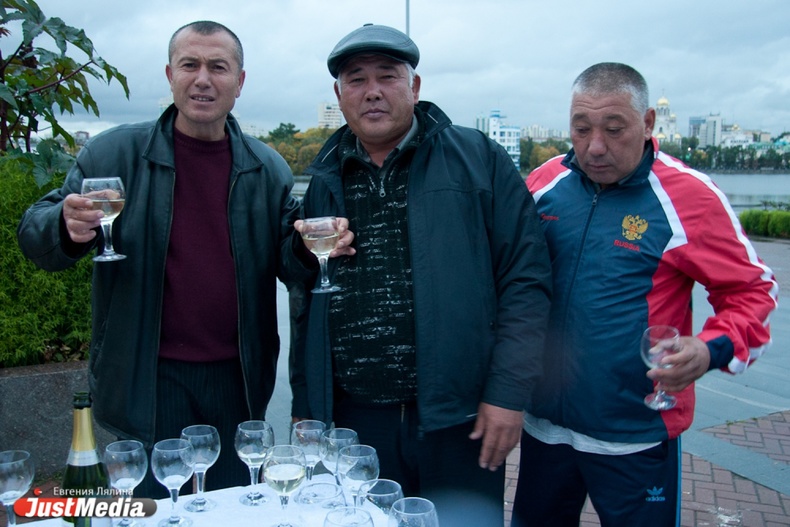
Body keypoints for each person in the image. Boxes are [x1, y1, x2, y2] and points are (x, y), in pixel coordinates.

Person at [16, 21, 352, 498]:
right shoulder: (114, 153)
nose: (202, 79)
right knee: (156, 508)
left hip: (238, 379)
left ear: (240, 81)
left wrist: (306, 246)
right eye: (190, 65)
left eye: (218, 67)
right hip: (147, 377)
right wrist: (63, 226)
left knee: (234, 505)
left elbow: (288, 262)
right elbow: (36, 235)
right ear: (170, 75)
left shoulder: (268, 168)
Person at [289, 24, 552, 525]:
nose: (372, 91)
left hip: (459, 419)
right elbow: (305, 298)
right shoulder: (325, 175)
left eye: (387, 76)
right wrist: (307, 401)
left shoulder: (478, 159)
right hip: (354, 422)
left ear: (414, 86)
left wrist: (507, 393)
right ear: (339, 96)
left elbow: (526, 280)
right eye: (356, 79)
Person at [512, 62, 778, 527]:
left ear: (649, 122)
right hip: (544, 427)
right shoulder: (544, 183)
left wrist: (710, 349)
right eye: (581, 129)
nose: (595, 146)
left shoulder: (689, 197)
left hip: (635, 432)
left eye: (614, 129)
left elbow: (752, 291)